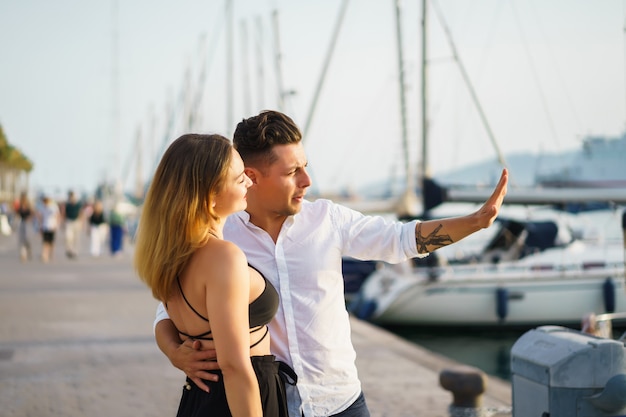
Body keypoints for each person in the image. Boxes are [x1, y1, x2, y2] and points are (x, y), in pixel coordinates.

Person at [154, 110, 509, 417]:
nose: (307, 182)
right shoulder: (220, 237)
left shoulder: (328, 219)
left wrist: (475, 222)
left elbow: (402, 239)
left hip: (340, 402)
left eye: (306, 167)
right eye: (293, 171)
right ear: (253, 176)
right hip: (272, 403)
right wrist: (175, 353)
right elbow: (167, 310)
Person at [135, 133, 292, 417]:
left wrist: (172, 351)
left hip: (201, 396)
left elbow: (166, 318)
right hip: (239, 399)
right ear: (210, 196)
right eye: (238, 178)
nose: (249, 181)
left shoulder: (172, 255)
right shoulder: (223, 257)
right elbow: (234, 367)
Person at [38, 195, 61, 263]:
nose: (45, 203)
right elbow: (41, 217)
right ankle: (45, 255)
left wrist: (57, 225)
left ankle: (51, 253)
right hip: (45, 226)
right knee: (45, 242)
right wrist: (40, 226)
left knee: (51, 242)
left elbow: (57, 216)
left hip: (52, 226)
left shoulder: (53, 207)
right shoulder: (42, 207)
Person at [62, 190, 83, 259]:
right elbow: (64, 213)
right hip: (69, 221)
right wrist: (63, 222)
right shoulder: (67, 204)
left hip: (76, 221)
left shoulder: (78, 204)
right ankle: (69, 250)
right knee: (68, 237)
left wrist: (81, 222)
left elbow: (81, 213)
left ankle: (75, 251)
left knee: (76, 238)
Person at [15, 192, 33, 261]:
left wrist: (29, 219)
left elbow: (32, 214)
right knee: (22, 239)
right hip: (21, 223)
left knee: (27, 239)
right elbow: (17, 215)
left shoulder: (29, 206)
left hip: (27, 224)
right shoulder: (19, 206)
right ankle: (23, 254)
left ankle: (28, 250)